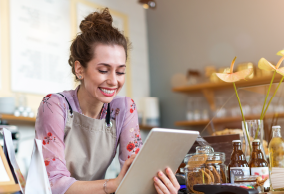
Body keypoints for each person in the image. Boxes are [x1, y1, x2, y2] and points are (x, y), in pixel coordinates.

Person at [35, 8, 180, 194]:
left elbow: (135, 173)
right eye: (103, 70)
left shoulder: (124, 109)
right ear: (79, 69)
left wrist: (158, 184)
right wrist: (112, 185)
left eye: (120, 72)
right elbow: (53, 183)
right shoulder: (55, 106)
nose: (114, 81)